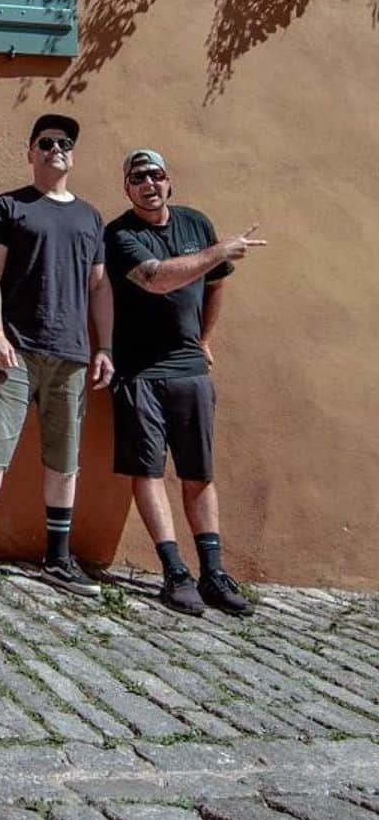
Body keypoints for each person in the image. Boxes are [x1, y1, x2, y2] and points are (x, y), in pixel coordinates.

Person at [0, 114, 113, 594]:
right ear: (31, 153)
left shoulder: (90, 217)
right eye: (46, 142)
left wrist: (106, 348)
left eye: (64, 143)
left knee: (64, 462)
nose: (55, 149)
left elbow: (98, 287)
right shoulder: (9, 207)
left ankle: (57, 559)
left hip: (73, 357)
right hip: (15, 351)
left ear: (72, 156)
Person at [104, 149, 266, 615]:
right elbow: (156, 279)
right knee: (148, 471)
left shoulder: (195, 222)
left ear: (168, 181)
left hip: (190, 371)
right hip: (139, 373)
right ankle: (174, 571)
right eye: (138, 178)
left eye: (155, 175)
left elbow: (216, 284)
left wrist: (205, 337)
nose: (148, 184)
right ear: (128, 188)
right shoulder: (119, 235)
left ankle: (213, 572)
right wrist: (220, 250)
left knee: (198, 472)